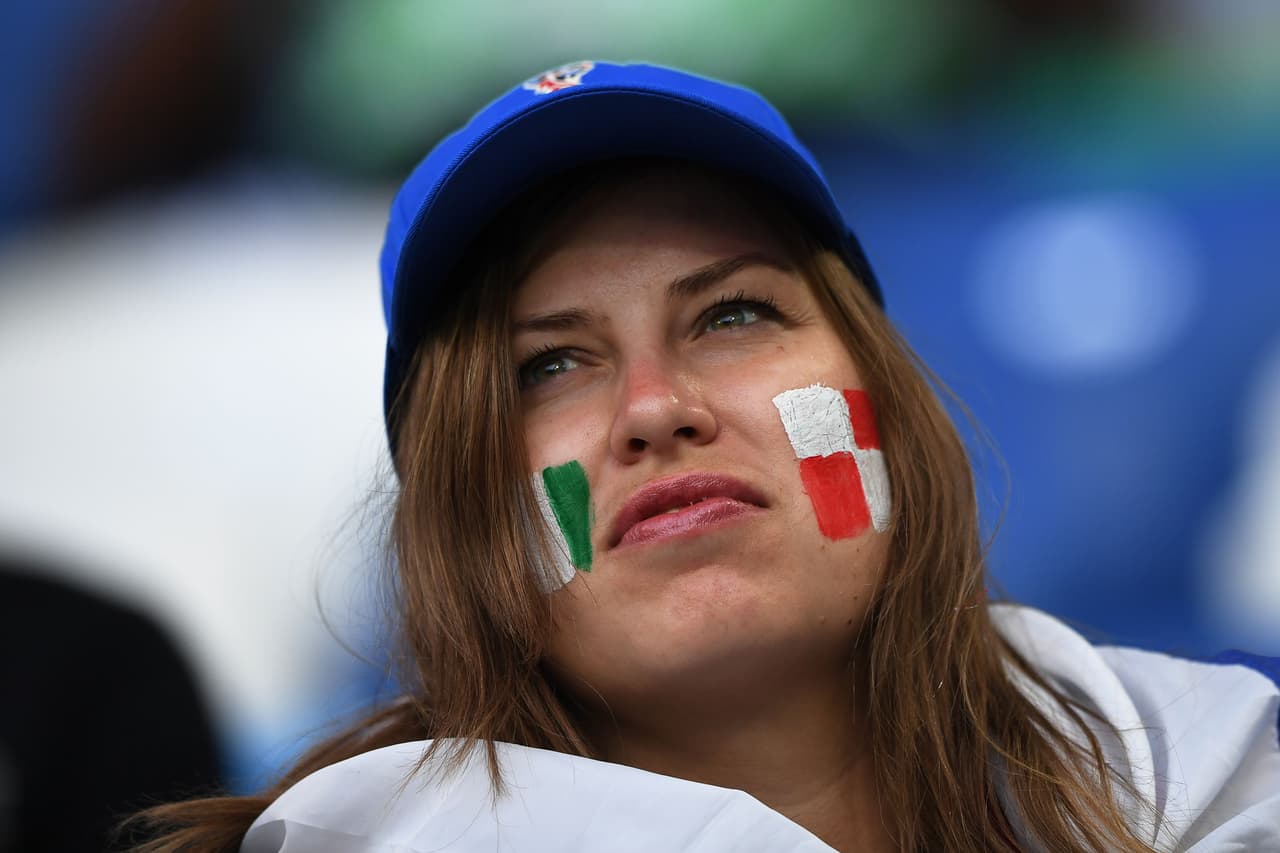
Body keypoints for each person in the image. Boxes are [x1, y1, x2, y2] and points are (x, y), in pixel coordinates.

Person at [132, 61, 1280, 852]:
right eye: (547, 366)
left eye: (730, 316)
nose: (652, 408)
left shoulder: (1198, 769)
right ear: (467, 514)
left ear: (879, 395)